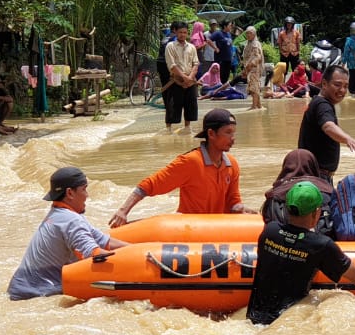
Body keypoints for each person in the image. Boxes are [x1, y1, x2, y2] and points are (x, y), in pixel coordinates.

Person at [246, 181, 355, 326]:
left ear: (287, 208)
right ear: (316, 212)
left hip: (252, 317)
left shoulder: (270, 230)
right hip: (285, 320)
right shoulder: (320, 245)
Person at [110, 108, 253, 225]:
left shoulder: (232, 165)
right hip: (190, 228)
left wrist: (242, 209)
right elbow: (149, 185)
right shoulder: (190, 162)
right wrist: (123, 211)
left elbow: (233, 201)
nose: (233, 138)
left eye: (234, 132)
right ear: (211, 134)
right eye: (228, 132)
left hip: (217, 228)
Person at [8, 167, 129, 300]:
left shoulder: (61, 214)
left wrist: (140, 248)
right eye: (84, 189)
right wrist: (135, 261)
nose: (87, 195)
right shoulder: (71, 220)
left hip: (20, 287)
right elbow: (96, 256)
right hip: (34, 293)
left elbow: (105, 241)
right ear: (70, 193)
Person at [296, 64, 355, 181]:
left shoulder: (318, 102)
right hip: (317, 176)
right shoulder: (322, 105)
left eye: (345, 86)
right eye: (337, 85)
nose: (342, 90)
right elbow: (328, 126)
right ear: (324, 84)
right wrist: (347, 139)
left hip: (314, 174)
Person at [262, 149, 336, 235]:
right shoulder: (328, 190)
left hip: (282, 240)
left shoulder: (273, 195)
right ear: (313, 166)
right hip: (322, 239)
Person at [163, 19, 200, 134]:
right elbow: (172, 65)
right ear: (175, 32)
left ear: (187, 33)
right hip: (176, 81)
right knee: (172, 106)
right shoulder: (170, 46)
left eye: (185, 32)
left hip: (190, 81)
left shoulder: (192, 47)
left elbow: (196, 63)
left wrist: (190, 77)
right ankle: (168, 130)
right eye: (180, 32)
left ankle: (187, 128)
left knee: (190, 105)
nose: (182, 35)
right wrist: (185, 78)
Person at [242, 26, 265, 110]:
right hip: (249, 68)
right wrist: (245, 68)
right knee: (253, 86)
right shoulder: (248, 43)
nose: (248, 35)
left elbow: (257, 57)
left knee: (253, 87)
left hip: (254, 68)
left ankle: (254, 106)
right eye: (247, 33)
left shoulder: (255, 43)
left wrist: (250, 65)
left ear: (254, 34)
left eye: (250, 33)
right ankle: (259, 105)